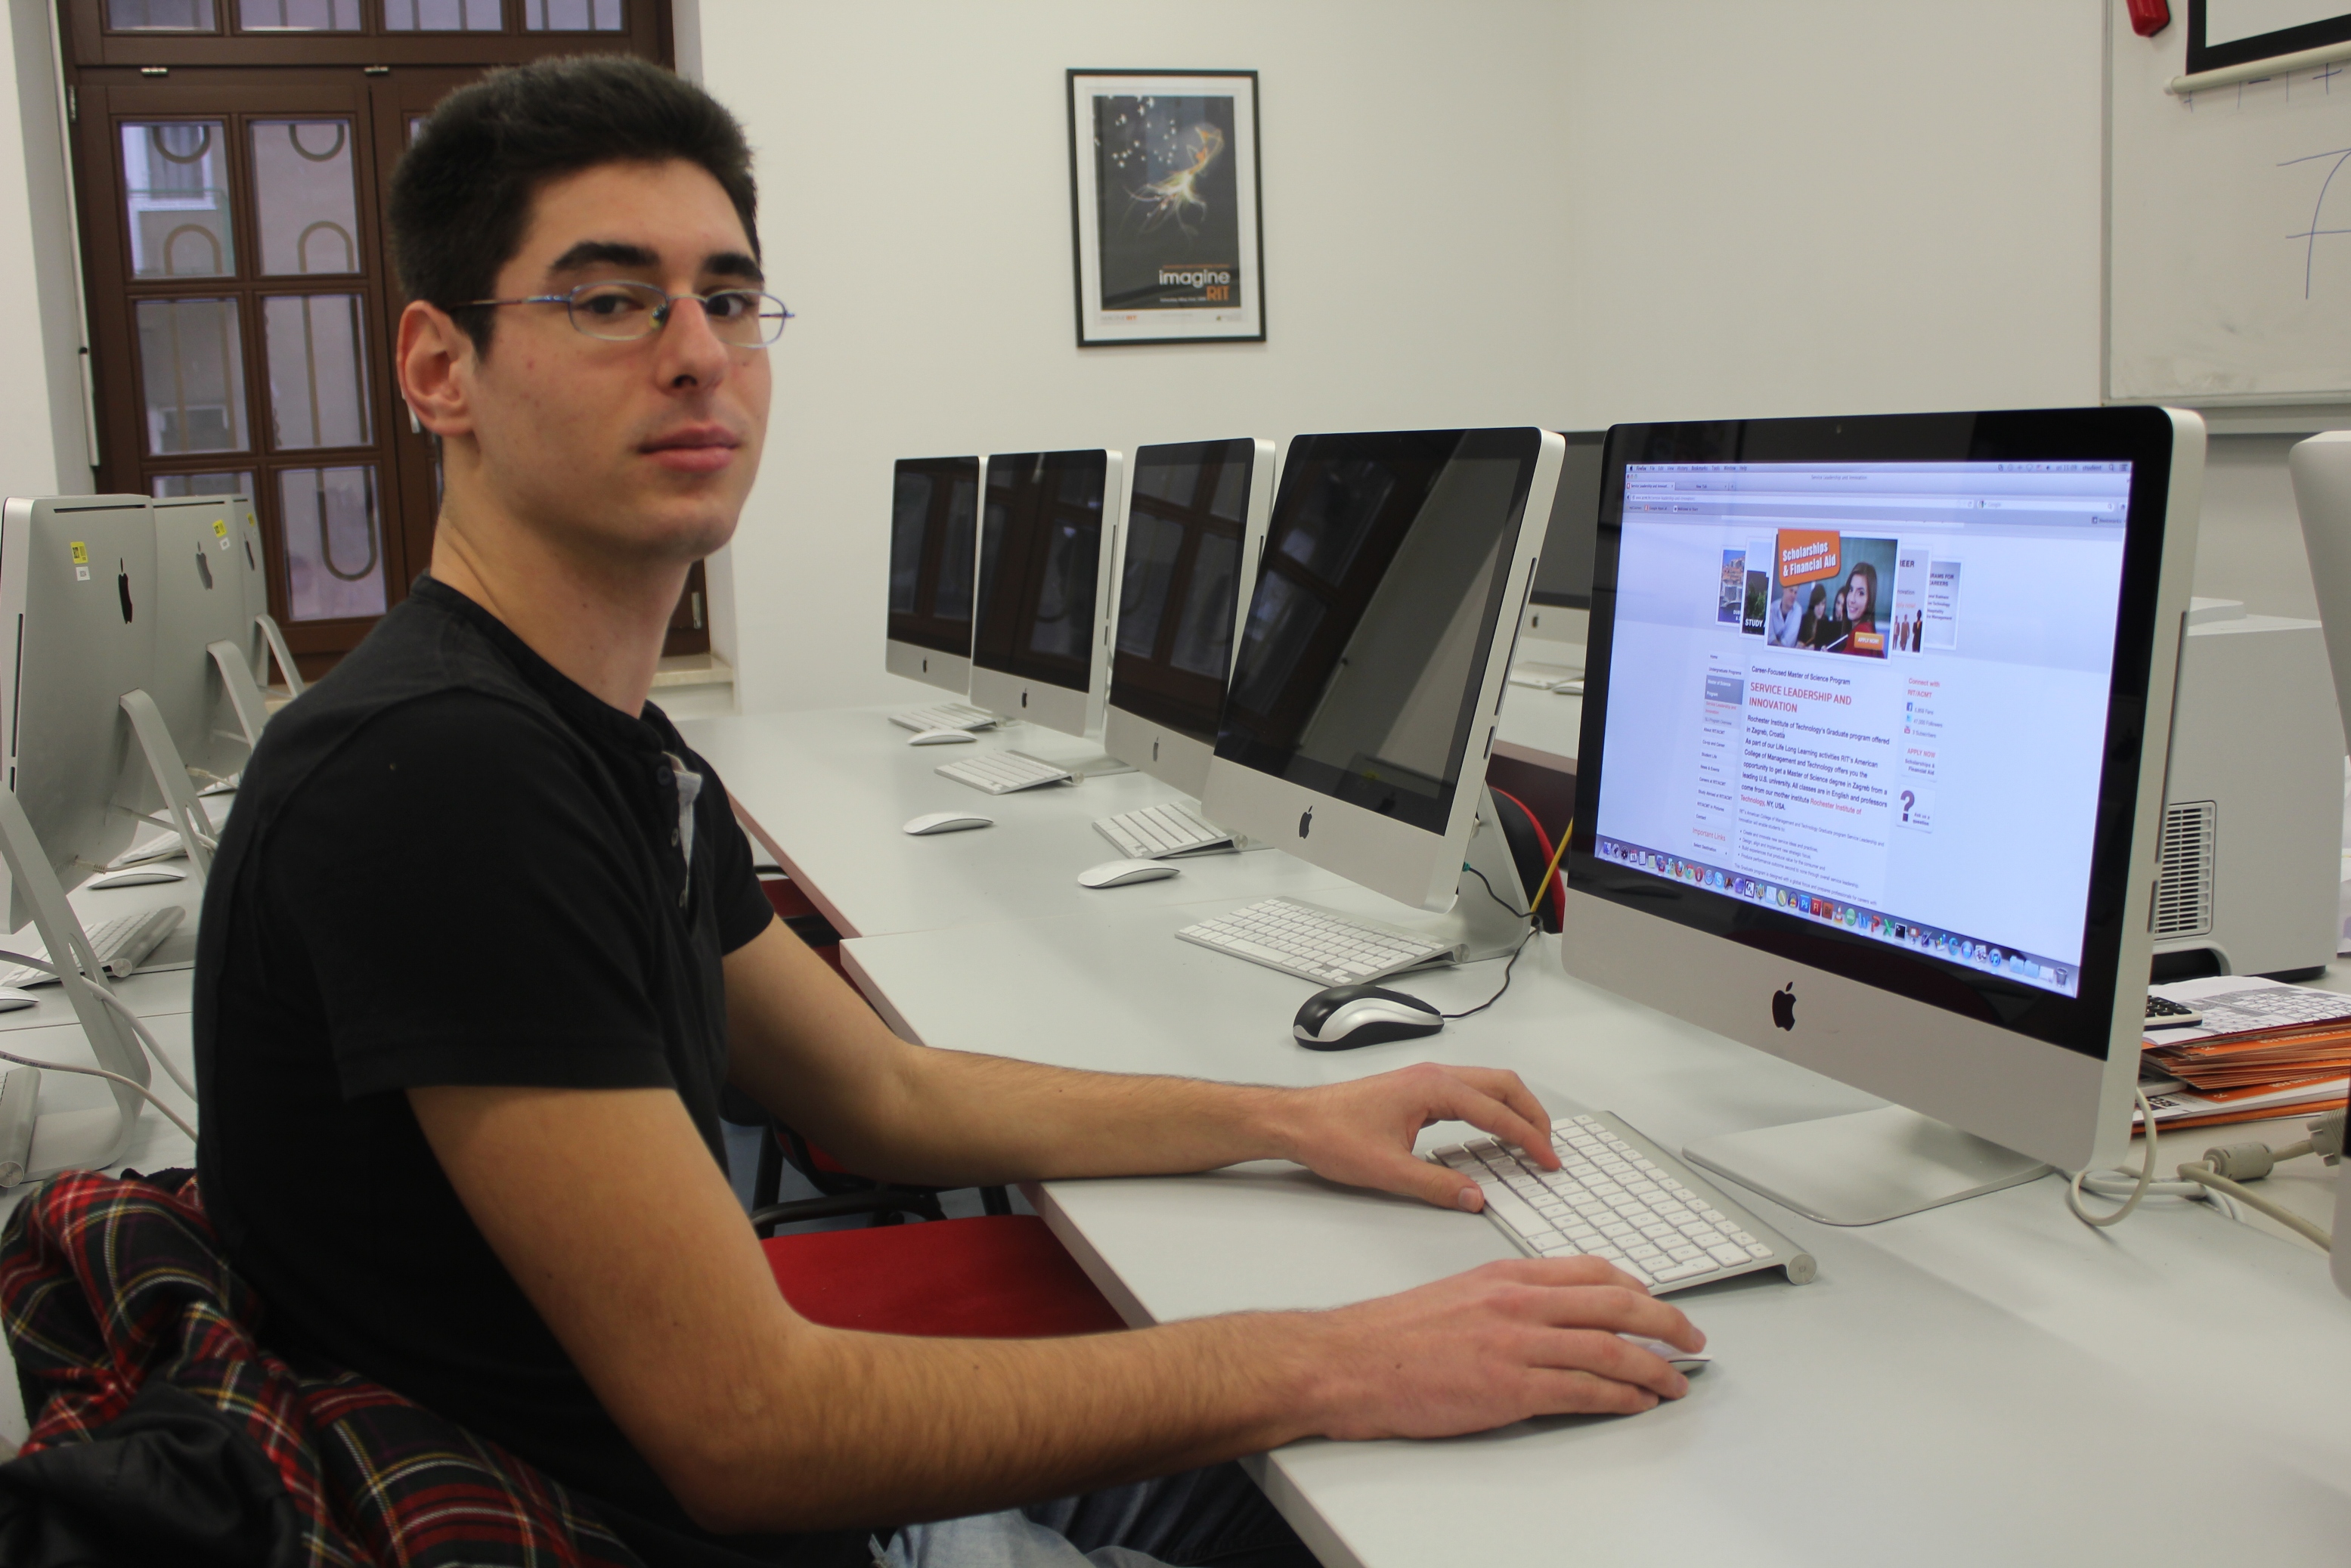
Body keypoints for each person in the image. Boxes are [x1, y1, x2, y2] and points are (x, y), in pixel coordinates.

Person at [191, 57, 1702, 1568]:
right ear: (437, 367)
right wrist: (1335, 1357)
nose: (698, 353)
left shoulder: (594, 743)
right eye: (609, 300)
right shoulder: (441, 777)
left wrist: (1285, 1118)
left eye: (730, 298)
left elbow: (882, 1093)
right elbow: (751, 1427)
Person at [1829, 562, 1880, 655]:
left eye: (1861, 593)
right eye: (1851, 590)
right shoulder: (1868, 630)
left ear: (1870, 600)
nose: (1852, 599)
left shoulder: (1861, 632)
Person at [1764, 580, 1801, 647]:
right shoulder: (1772, 608)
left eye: (1795, 593)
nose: (1793, 595)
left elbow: (1788, 642)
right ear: (1784, 589)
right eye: (1791, 591)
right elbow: (1769, 637)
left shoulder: (1798, 609)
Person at [1795, 582, 1832, 648]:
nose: (1820, 608)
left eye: (1823, 604)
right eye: (1817, 604)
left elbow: (1827, 645)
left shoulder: (1826, 621)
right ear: (1813, 605)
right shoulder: (1804, 620)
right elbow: (1799, 642)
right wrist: (1800, 646)